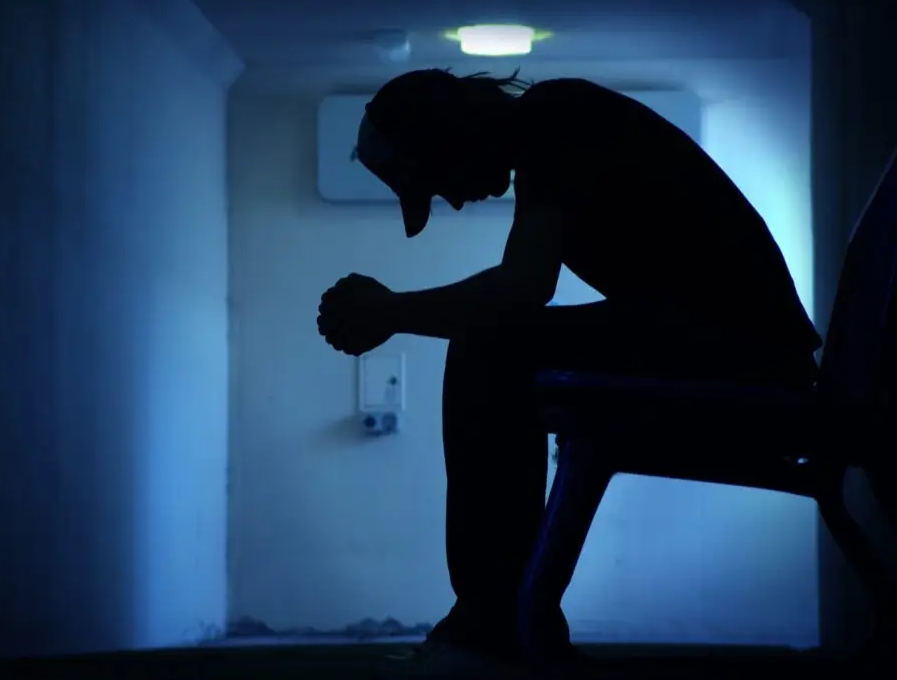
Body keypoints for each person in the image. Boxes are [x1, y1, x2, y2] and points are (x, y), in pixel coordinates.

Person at [316, 69, 821, 679]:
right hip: (742, 350)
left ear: (450, 136)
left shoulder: (555, 117)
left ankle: (489, 628)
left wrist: (391, 312)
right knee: (495, 339)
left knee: (490, 342)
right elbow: (524, 295)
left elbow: (521, 291)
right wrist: (395, 313)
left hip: (753, 361)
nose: (448, 200)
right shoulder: (551, 126)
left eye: (432, 180)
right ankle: (497, 620)